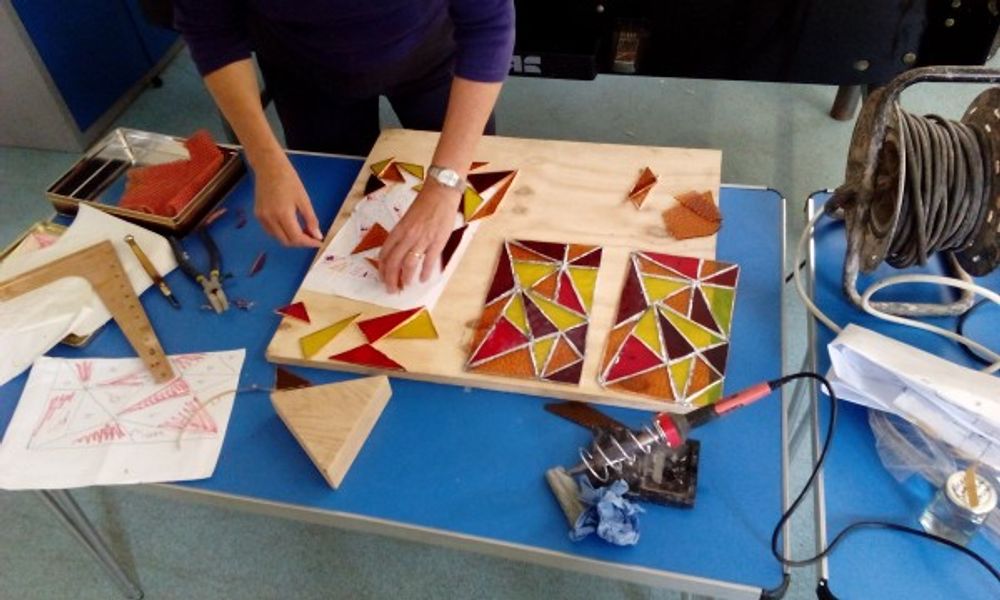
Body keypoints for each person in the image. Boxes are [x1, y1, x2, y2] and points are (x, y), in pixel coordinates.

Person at [174, 1, 515, 292]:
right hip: (304, 72)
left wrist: (445, 184)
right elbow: (210, 31)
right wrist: (265, 160)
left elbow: (489, 24)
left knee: (471, 235)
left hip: (435, 56)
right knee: (333, 217)